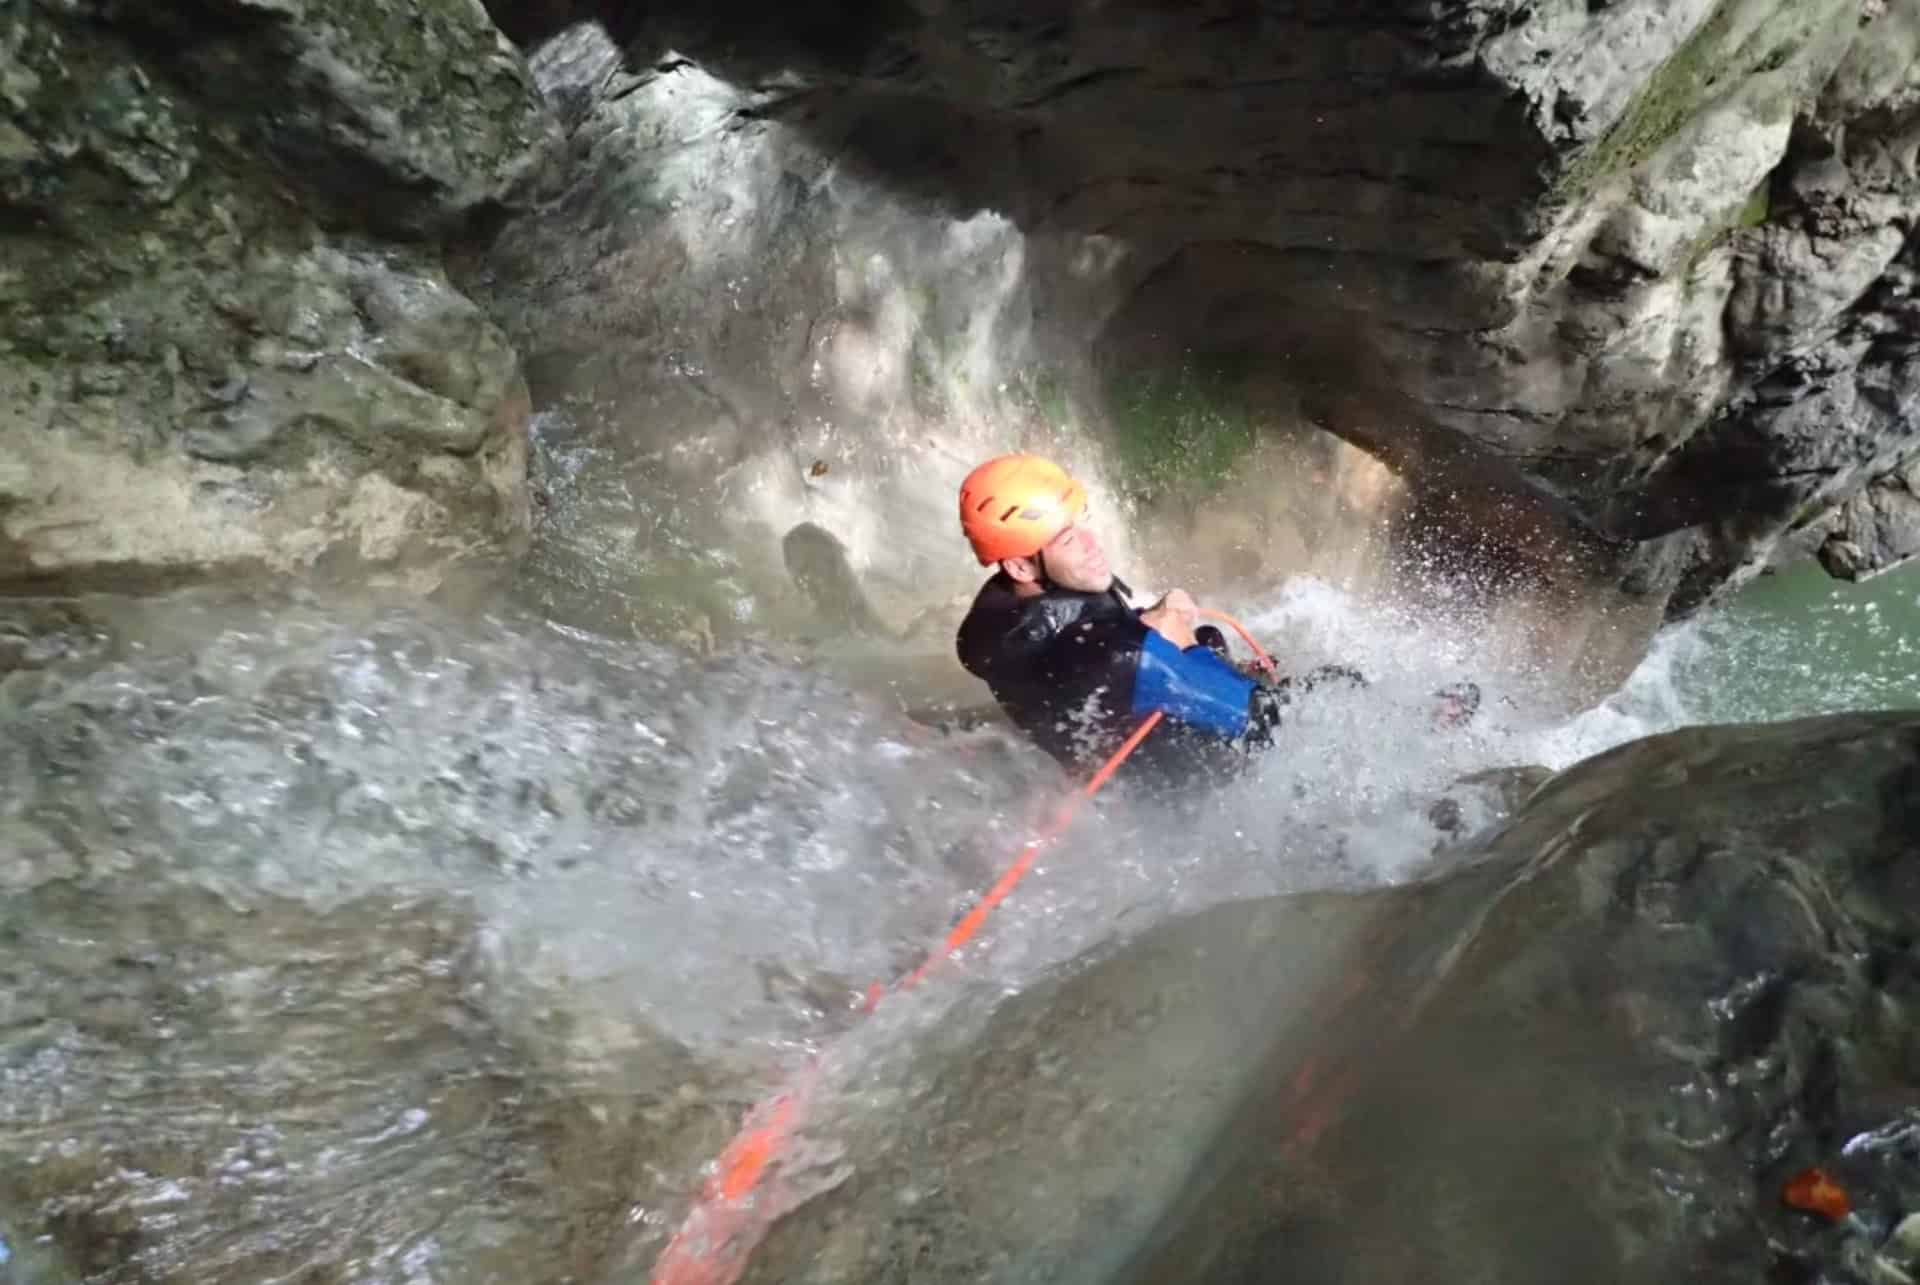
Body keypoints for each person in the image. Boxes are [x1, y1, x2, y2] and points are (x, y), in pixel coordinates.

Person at [952, 453, 1477, 793]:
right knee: (1329, 694)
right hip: (1198, 789)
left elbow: (1101, 662)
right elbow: (1268, 723)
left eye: (1082, 526)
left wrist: (1181, 637)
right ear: (1021, 565)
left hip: (1159, 767)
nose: (1092, 544)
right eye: (1067, 540)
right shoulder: (1093, 648)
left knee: (1244, 656)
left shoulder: (1019, 614)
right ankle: (1422, 739)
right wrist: (1167, 638)